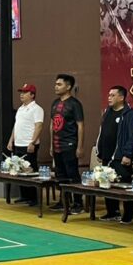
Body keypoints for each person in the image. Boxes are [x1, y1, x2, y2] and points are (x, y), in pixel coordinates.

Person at [96, 85, 133, 223]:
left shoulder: (129, 114)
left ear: (121, 97)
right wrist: (100, 151)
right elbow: (102, 133)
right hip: (106, 155)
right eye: (109, 95)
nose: (109, 98)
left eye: (113, 95)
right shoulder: (107, 112)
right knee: (106, 183)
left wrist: (128, 154)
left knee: (124, 186)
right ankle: (112, 211)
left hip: (121, 157)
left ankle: (128, 214)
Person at [49, 75, 86, 209]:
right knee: (60, 174)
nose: (56, 87)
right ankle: (63, 201)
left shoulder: (75, 104)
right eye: (56, 84)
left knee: (72, 174)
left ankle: (78, 202)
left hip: (69, 144)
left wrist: (80, 147)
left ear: (68, 86)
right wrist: (51, 145)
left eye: (59, 84)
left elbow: (80, 126)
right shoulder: (55, 103)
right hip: (57, 144)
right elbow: (52, 124)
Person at [6, 84, 44, 205]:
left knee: (30, 170)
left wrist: (32, 142)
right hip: (18, 143)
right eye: (21, 92)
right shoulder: (20, 109)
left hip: (29, 144)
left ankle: (34, 197)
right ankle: (24, 195)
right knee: (19, 170)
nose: (22, 94)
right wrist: (11, 140)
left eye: (25, 92)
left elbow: (39, 126)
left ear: (32, 95)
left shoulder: (37, 109)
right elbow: (16, 125)